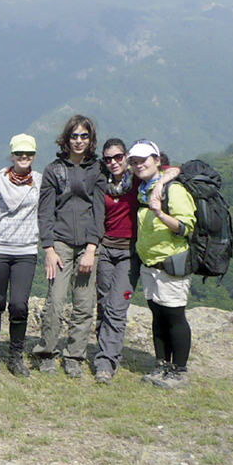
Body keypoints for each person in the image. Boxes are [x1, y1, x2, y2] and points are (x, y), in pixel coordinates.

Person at [94, 139, 178, 385]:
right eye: (108, 159)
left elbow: (175, 170)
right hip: (105, 250)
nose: (113, 162)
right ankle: (105, 352)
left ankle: (106, 364)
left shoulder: (138, 181)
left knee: (116, 307)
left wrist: (161, 182)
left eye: (118, 157)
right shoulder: (101, 182)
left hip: (129, 253)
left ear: (126, 158)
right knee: (103, 305)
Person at [33, 115, 106, 378]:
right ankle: (46, 353)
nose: (79, 141)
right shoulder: (54, 169)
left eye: (84, 136)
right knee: (55, 301)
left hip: (87, 246)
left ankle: (74, 355)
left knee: (84, 304)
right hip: (60, 244)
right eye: (74, 136)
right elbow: (45, 211)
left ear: (90, 139)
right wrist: (49, 249)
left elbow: (99, 211)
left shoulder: (97, 170)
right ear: (67, 138)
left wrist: (91, 248)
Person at [129, 140, 195, 389]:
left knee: (175, 316)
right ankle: (161, 365)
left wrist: (160, 214)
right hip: (149, 263)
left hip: (171, 263)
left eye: (143, 160)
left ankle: (179, 370)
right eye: (134, 161)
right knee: (157, 314)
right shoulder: (143, 188)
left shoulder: (173, 190)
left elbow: (186, 227)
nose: (139, 165)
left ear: (157, 160)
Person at [0, 134, 42, 377]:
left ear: (34, 155)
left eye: (29, 154)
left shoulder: (40, 181)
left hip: (26, 250)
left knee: (19, 305)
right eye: (19, 153)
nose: (24, 157)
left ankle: (15, 356)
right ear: (12, 155)